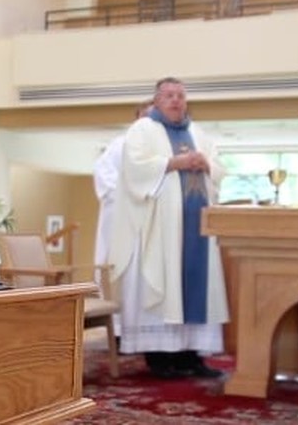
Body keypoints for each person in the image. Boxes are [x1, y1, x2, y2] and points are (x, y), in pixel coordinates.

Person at [109, 77, 228, 380]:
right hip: (162, 229)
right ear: (157, 100)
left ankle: (193, 356)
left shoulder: (197, 132)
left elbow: (219, 167)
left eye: (181, 96)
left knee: (196, 287)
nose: (176, 101)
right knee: (166, 281)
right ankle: (161, 359)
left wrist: (206, 165)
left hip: (199, 226)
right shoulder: (142, 130)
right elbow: (134, 168)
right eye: (169, 96)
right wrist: (174, 162)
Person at [93, 100, 152, 266]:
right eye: (145, 116)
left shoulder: (164, 149)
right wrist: (133, 195)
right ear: (137, 118)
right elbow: (104, 177)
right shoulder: (120, 145)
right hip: (121, 219)